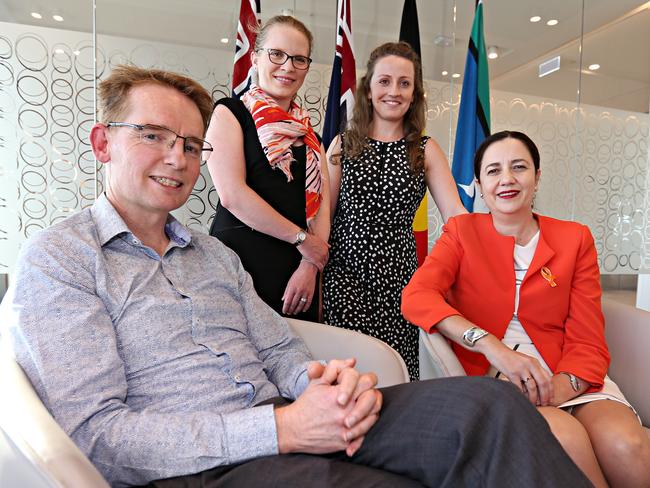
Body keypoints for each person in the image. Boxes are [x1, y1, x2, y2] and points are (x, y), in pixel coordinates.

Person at [0, 66, 594, 488]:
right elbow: (98, 438)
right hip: (203, 465)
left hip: (293, 416)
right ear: (104, 142)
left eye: (189, 143)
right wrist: (281, 429)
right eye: (153, 136)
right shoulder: (61, 261)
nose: (177, 158)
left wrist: (320, 383)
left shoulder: (212, 256)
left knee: (487, 405)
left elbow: (280, 345)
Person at [402, 130, 650, 487]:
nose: (507, 179)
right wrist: (491, 346)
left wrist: (563, 386)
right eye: (493, 170)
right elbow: (417, 297)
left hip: (571, 373)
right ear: (479, 184)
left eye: (519, 167)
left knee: (627, 446)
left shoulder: (574, 238)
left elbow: (588, 336)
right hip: (498, 376)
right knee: (566, 441)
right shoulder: (461, 232)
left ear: (537, 176)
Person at [323, 42, 466, 380]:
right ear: (369, 89)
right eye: (385, 81)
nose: (394, 91)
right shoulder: (342, 144)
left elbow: (457, 216)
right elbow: (322, 219)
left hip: (401, 283)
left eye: (405, 83)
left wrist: (504, 234)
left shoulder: (426, 149)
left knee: (398, 378)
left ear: (415, 93)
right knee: (353, 377)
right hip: (345, 278)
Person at [205, 15, 329, 321]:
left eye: (299, 59)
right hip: (240, 265)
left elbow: (322, 207)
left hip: (299, 273)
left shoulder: (312, 135)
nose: (287, 67)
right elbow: (233, 195)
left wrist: (310, 265)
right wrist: (303, 241)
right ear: (256, 58)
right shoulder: (230, 112)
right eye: (277, 54)